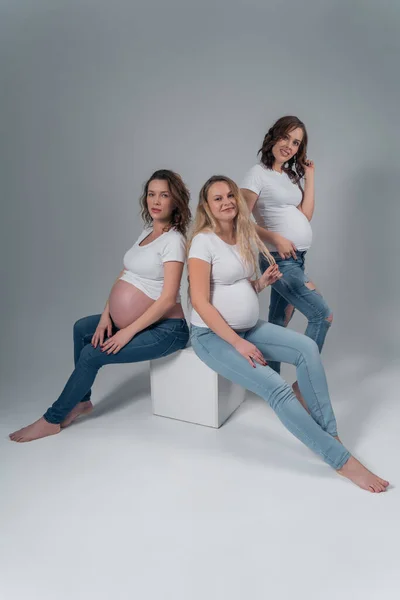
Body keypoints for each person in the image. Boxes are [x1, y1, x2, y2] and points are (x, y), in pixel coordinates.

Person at [188, 174, 388, 493]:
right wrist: (237, 343)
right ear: (206, 206)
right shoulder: (203, 241)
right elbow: (200, 299)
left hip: (248, 328)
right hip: (213, 337)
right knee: (276, 387)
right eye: (217, 198)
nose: (226, 202)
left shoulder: (240, 235)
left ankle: (329, 435)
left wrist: (260, 284)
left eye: (229, 195)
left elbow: (232, 286)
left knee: (307, 348)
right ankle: (341, 461)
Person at [10, 169, 191, 442]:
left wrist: (126, 332)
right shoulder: (145, 233)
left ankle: (52, 419)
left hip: (167, 329)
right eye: (151, 194)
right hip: (136, 322)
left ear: (175, 201)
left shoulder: (174, 241)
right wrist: (108, 315)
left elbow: (167, 299)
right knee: (82, 328)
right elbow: (125, 274)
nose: (155, 200)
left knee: (91, 355)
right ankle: (82, 402)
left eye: (164, 195)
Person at [241, 116, 331, 409]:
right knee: (322, 315)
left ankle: (271, 385)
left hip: (297, 259)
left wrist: (310, 176)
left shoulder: (289, 177)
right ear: (274, 136)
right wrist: (276, 239)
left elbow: (305, 215)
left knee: (280, 321)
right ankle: (302, 386)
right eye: (286, 138)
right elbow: (240, 219)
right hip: (278, 259)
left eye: (297, 143)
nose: (290, 146)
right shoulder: (257, 174)